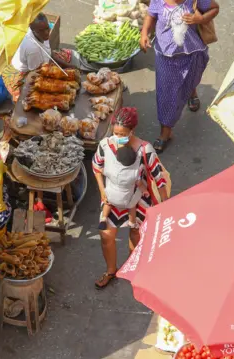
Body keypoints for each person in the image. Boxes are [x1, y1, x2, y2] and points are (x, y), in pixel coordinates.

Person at [92, 107, 169, 289]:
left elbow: (158, 177)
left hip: (137, 198)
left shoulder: (145, 150)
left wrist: (166, 204)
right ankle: (111, 271)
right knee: (106, 235)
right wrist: (102, 190)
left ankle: (133, 267)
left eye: (122, 134)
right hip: (111, 195)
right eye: (115, 133)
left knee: (135, 234)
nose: (117, 137)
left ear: (132, 131)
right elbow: (97, 166)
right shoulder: (105, 145)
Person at [140, 0, 219, 153]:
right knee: (166, 95)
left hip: (192, 53)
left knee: (190, 79)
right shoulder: (158, 1)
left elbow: (215, 8)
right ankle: (166, 132)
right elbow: (151, 14)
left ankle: (192, 91)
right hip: (165, 56)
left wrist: (201, 19)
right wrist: (144, 33)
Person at [2, 13, 76, 102]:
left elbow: (48, 53)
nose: (46, 33)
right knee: (32, 98)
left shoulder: (43, 35)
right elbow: (35, 73)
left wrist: (67, 65)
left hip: (37, 64)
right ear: (33, 30)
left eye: (47, 28)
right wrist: (57, 87)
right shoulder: (33, 48)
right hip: (23, 73)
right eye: (41, 30)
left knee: (62, 65)